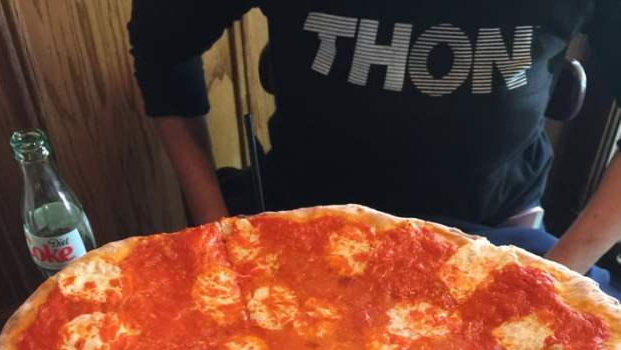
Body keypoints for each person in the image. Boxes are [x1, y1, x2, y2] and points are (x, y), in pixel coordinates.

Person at [128, 2, 621, 289]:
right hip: (300, 222)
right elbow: (160, 47)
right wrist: (215, 228)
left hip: (498, 230)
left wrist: (557, 276)